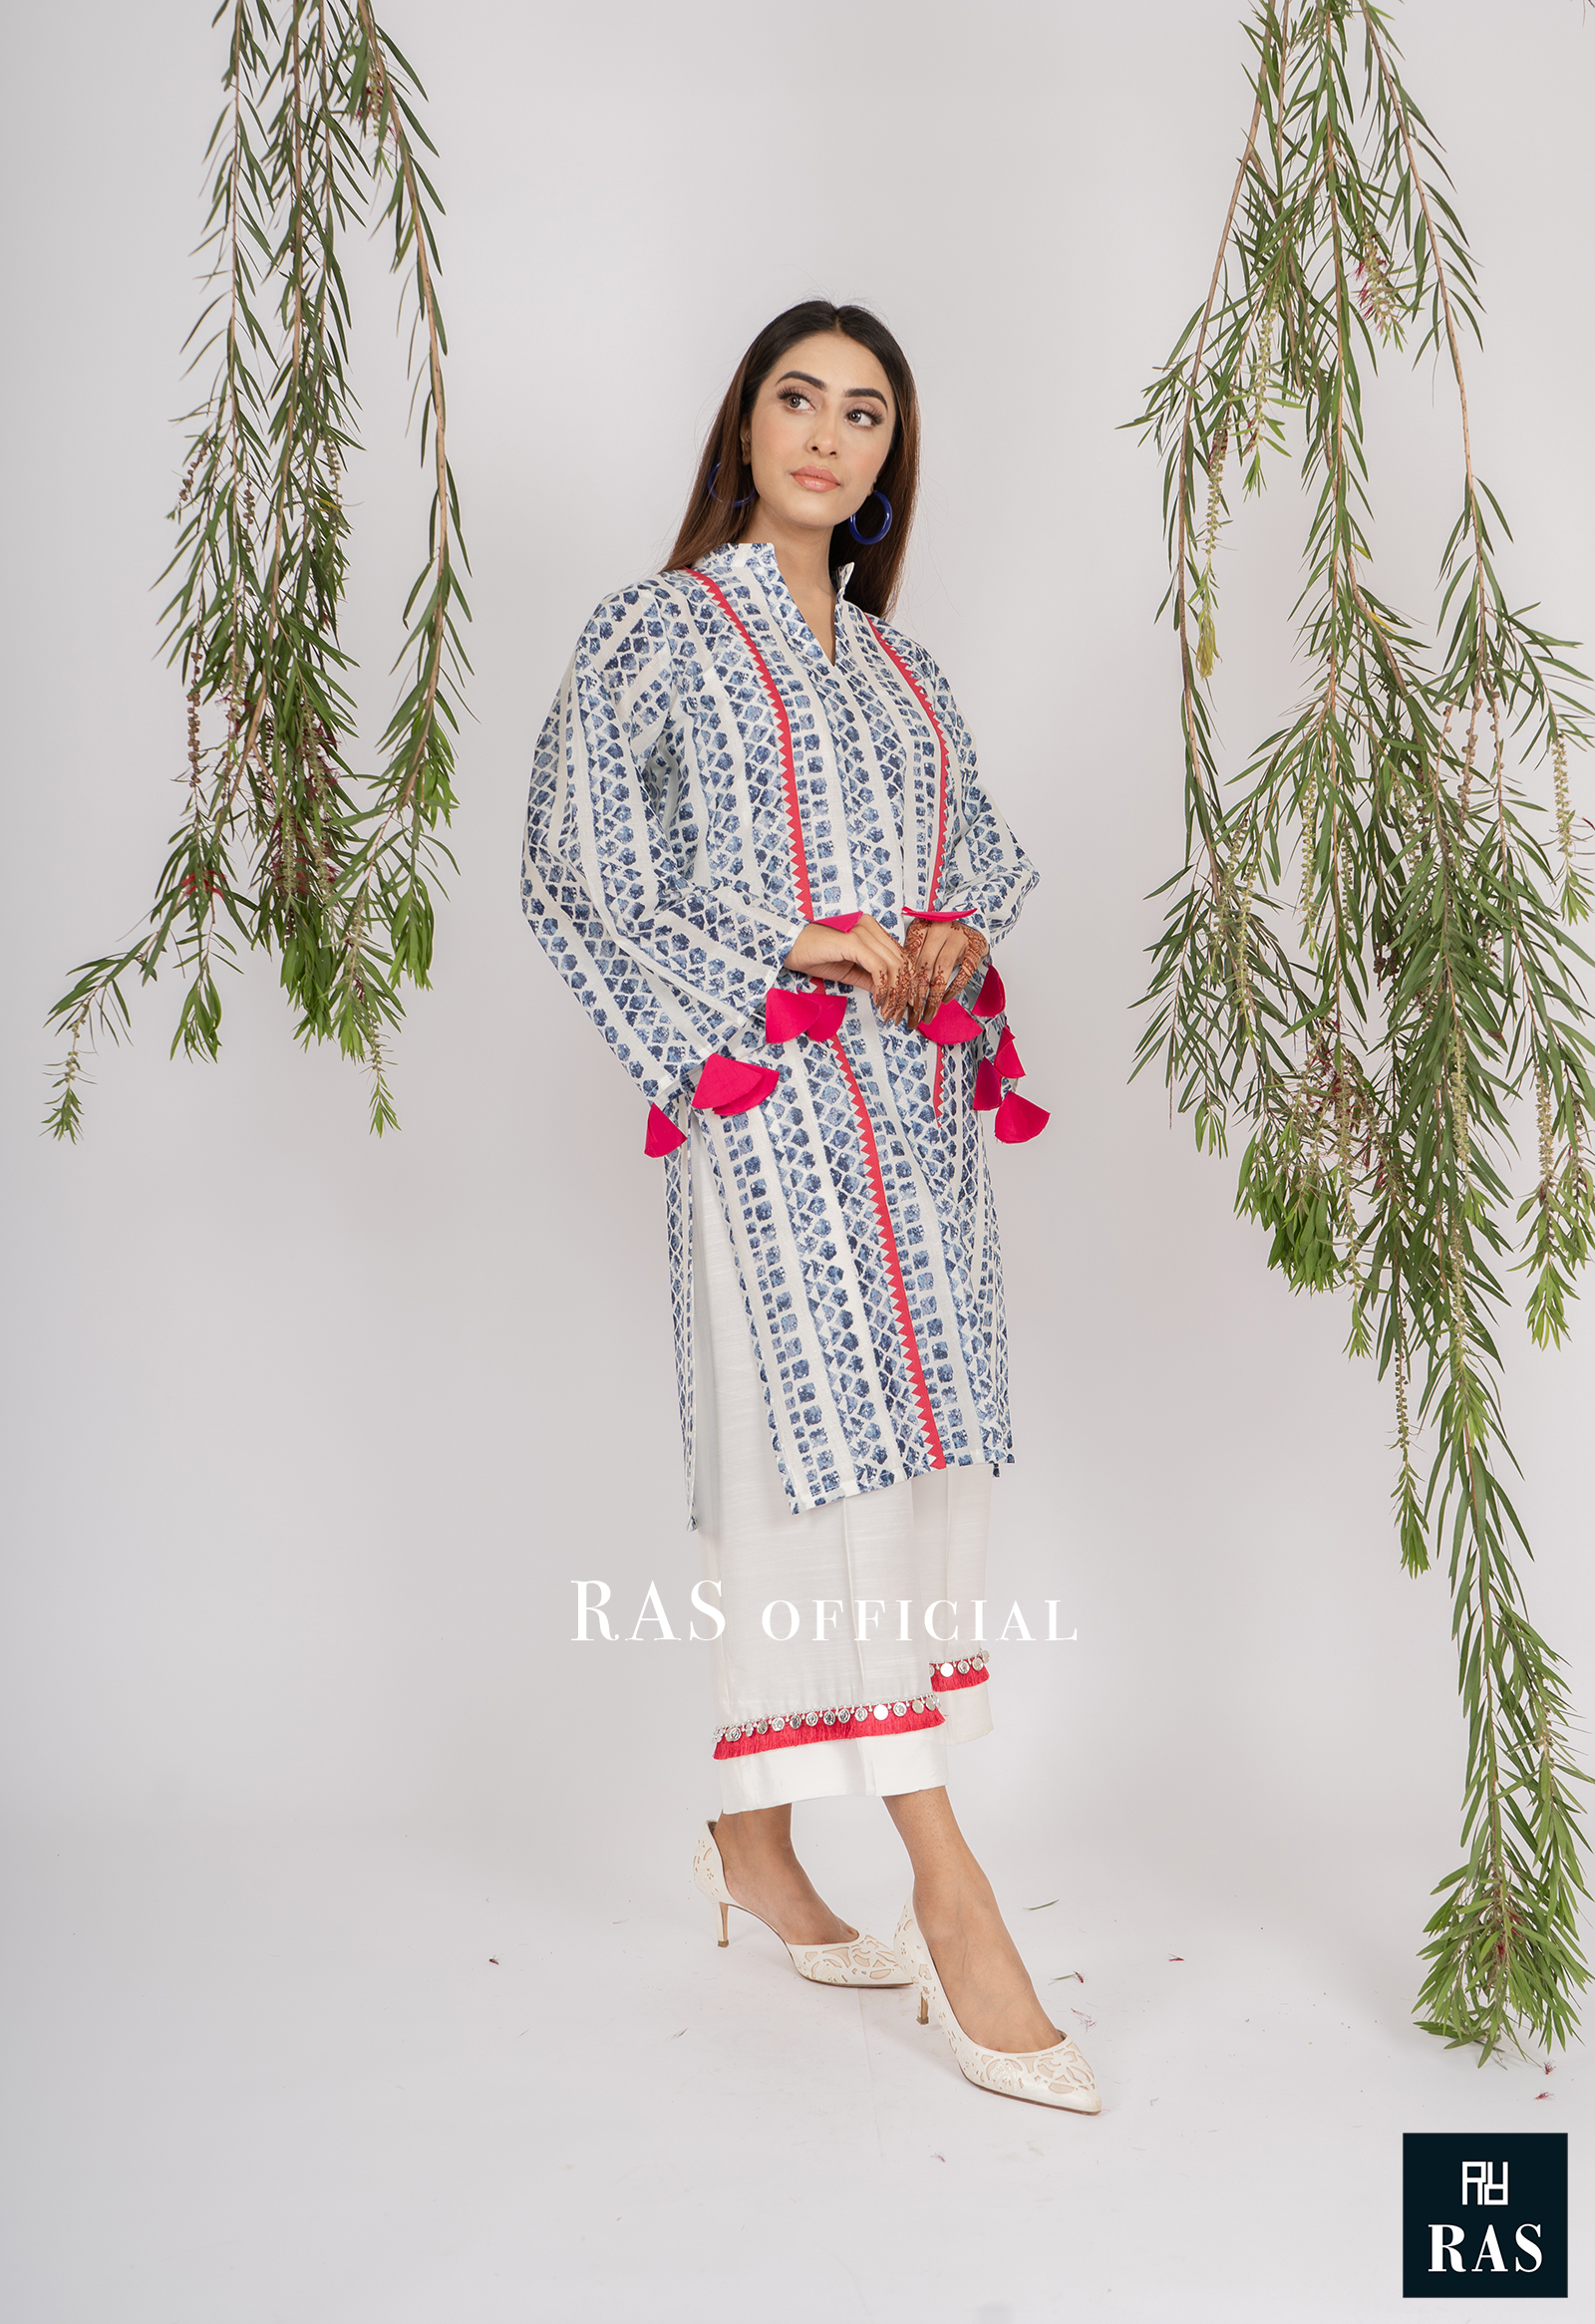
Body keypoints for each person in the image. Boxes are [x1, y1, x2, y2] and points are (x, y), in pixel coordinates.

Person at [521, 299, 1098, 2114]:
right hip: (771, 1120)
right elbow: (577, 870)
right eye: (799, 398)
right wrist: (798, 944)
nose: (829, 436)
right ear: (745, 423)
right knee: (814, 1468)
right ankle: (950, 1886)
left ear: (888, 459)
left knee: (905, 1466)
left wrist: (947, 938)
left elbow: (977, 858)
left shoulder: (908, 673)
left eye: (865, 414)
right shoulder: (654, 635)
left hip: (911, 1124)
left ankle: (753, 1843)